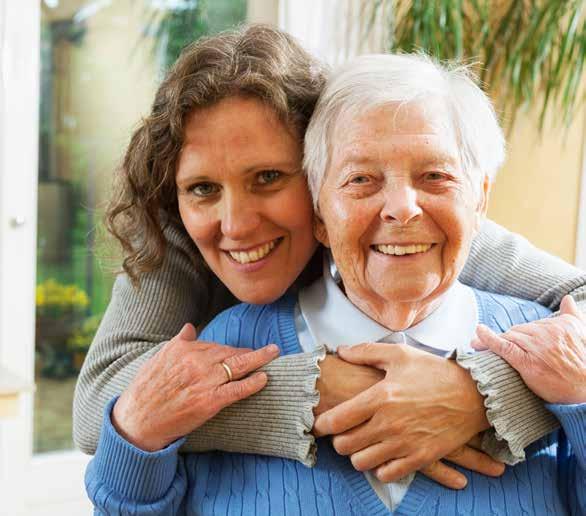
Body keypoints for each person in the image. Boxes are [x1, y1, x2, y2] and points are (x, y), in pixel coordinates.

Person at [85, 51, 585, 515]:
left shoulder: (527, 310)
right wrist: (309, 389)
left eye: (267, 178)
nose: (236, 224)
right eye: (360, 179)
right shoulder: (189, 286)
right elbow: (106, 412)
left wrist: (486, 393)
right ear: (322, 206)